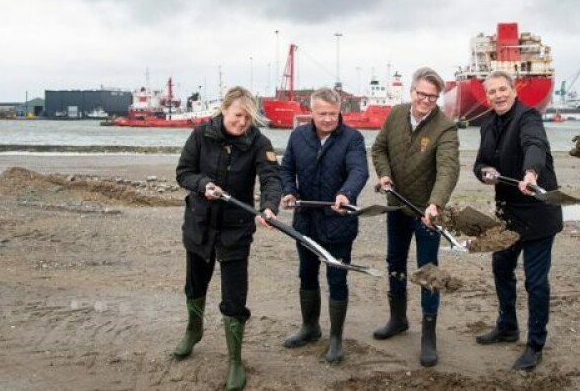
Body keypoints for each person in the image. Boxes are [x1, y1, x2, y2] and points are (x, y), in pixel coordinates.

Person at [173, 86, 282, 391]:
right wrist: (203, 183)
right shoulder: (201, 135)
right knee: (195, 284)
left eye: (248, 117)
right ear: (223, 110)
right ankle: (193, 330)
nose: (242, 122)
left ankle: (235, 359)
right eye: (237, 115)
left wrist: (269, 207)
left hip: (236, 229)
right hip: (200, 224)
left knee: (234, 296)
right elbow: (183, 172)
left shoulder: (259, 142)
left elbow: (272, 178)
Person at [472, 70, 564, 371]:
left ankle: (535, 345)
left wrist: (531, 173)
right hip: (508, 213)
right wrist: (485, 172)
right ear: (487, 96)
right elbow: (480, 163)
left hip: (538, 213)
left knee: (536, 282)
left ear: (514, 90)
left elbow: (534, 145)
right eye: (492, 91)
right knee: (501, 268)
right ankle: (507, 326)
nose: (498, 95)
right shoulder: (487, 125)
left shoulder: (529, 118)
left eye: (503, 89)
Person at [370, 67, 460, 367]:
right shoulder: (396, 114)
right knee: (394, 262)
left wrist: (435, 204)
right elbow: (379, 148)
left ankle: (429, 336)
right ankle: (398, 319)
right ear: (411, 92)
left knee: (428, 271)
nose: (425, 100)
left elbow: (448, 169)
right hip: (396, 207)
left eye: (432, 97)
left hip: (426, 214)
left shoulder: (445, 128)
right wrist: (384, 176)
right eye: (421, 94)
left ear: (438, 99)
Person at [279, 87, 369, 364]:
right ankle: (310, 327)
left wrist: (346, 194)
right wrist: (289, 191)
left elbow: (359, 171)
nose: (328, 119)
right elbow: (285, 169)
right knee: (306, 274)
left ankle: (336, 339)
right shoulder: (298, 136)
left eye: (333, 113)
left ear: (340, 111)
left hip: (338, 222)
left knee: (336, 279)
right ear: (312, 112)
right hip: (305, 220)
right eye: (322, 114)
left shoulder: (352, 138)